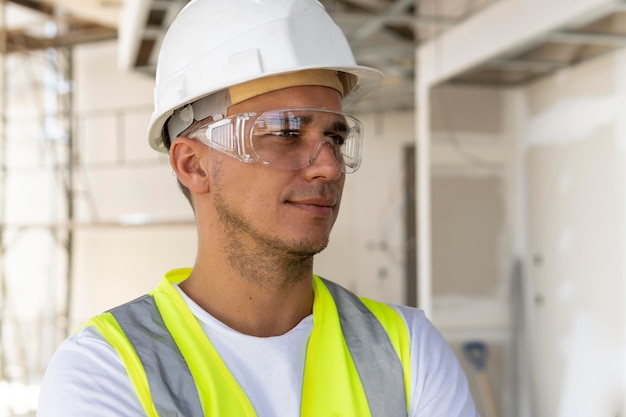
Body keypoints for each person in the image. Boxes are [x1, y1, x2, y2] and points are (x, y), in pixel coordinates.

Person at [38, 0, 478, 416]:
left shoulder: (407, 349)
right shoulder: (105, 369)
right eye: (286, 132)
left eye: (337, 138)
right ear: (193, 165)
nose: (328, 165)